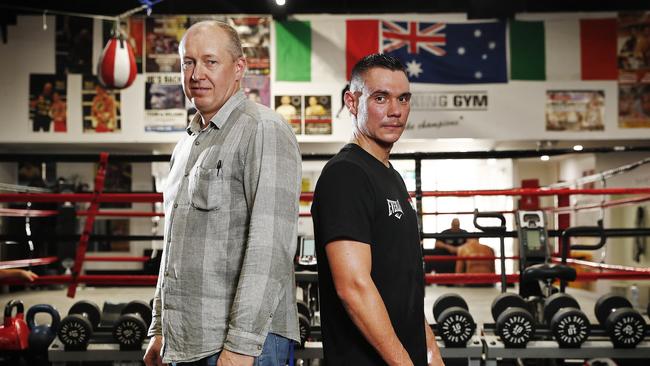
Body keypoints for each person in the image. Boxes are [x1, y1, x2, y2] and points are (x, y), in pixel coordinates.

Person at [144, 20, 301, 366]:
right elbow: (173, 248)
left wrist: (240, 348)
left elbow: (270, 247)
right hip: (186, 340)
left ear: (239, 68)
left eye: (210, 62)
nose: (197, 73)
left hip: (244, 346)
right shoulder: (185, 145)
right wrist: (159, 330)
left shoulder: (264, 129)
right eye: (188, 62)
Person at [311, 54, 443, 366]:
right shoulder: (345, 175)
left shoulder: (391, 176)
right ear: (352, 102)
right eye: (380, 98)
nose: (395, 111)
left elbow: (403, 288)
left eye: (403, 99)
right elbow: (354, 288)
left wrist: (431, 354)